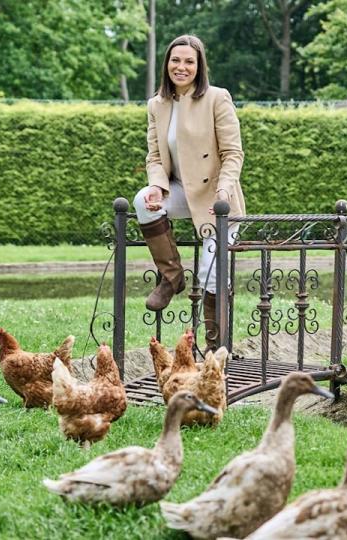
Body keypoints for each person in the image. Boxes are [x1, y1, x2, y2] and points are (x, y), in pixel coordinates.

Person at [133, 34, 246, 353]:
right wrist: (157, 185)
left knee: (212, 275)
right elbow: (154, 156)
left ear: (199, 66)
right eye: (175, 60)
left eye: (189, 61)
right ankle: (171, 278)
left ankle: (215, 350)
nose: (181, 67)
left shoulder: (217, 98)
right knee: (143, 200)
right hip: (181, 191)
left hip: (218, 200)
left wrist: (224, 189)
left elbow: (233, 152)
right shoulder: (157, 104)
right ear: (167, 64)